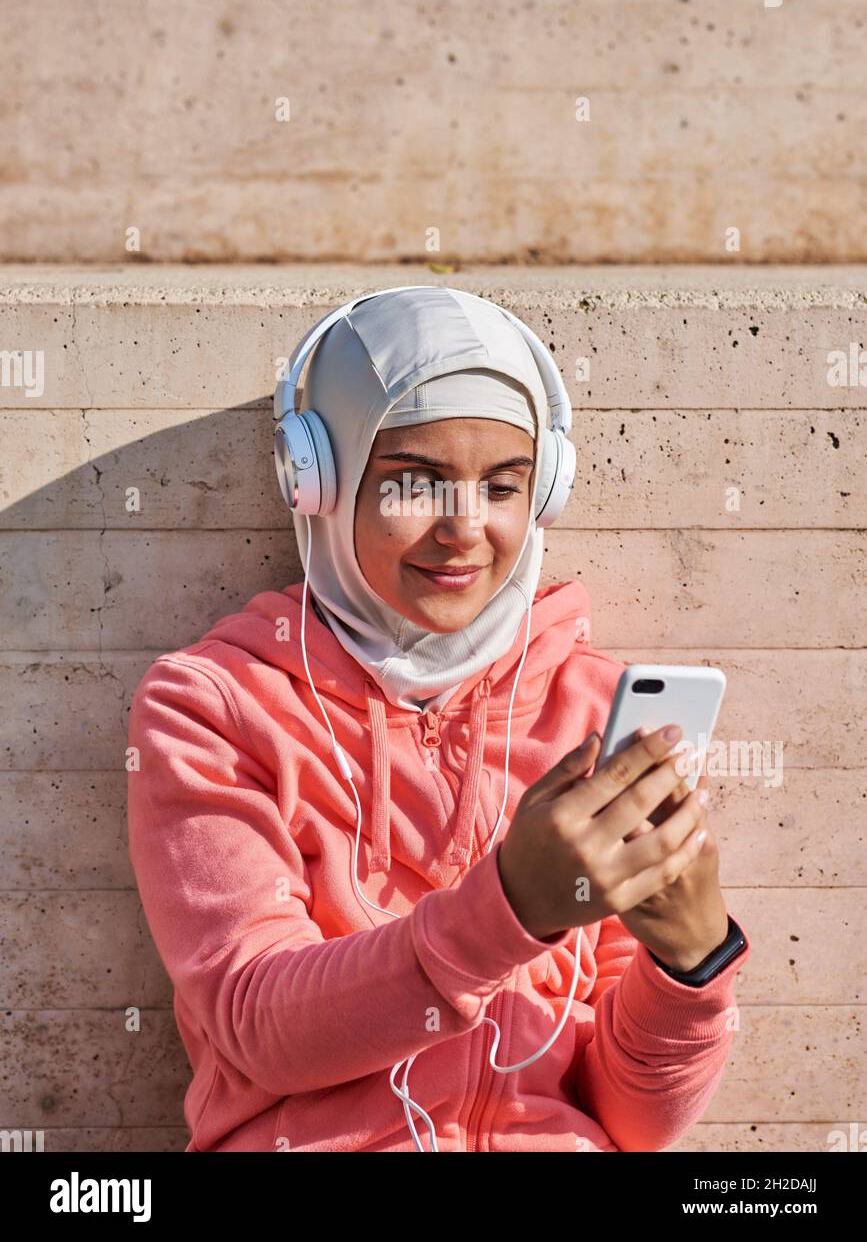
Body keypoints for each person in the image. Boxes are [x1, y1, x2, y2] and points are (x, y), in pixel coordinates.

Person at [126, 286, 751, 1153]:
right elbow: (257, 1028)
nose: (464, 528)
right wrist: (511, 910)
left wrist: (691, 968)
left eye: (502, 486)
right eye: (413, 483)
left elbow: (635, 1124)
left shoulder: (599, 716)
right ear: (319, 481)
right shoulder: (215, 706)